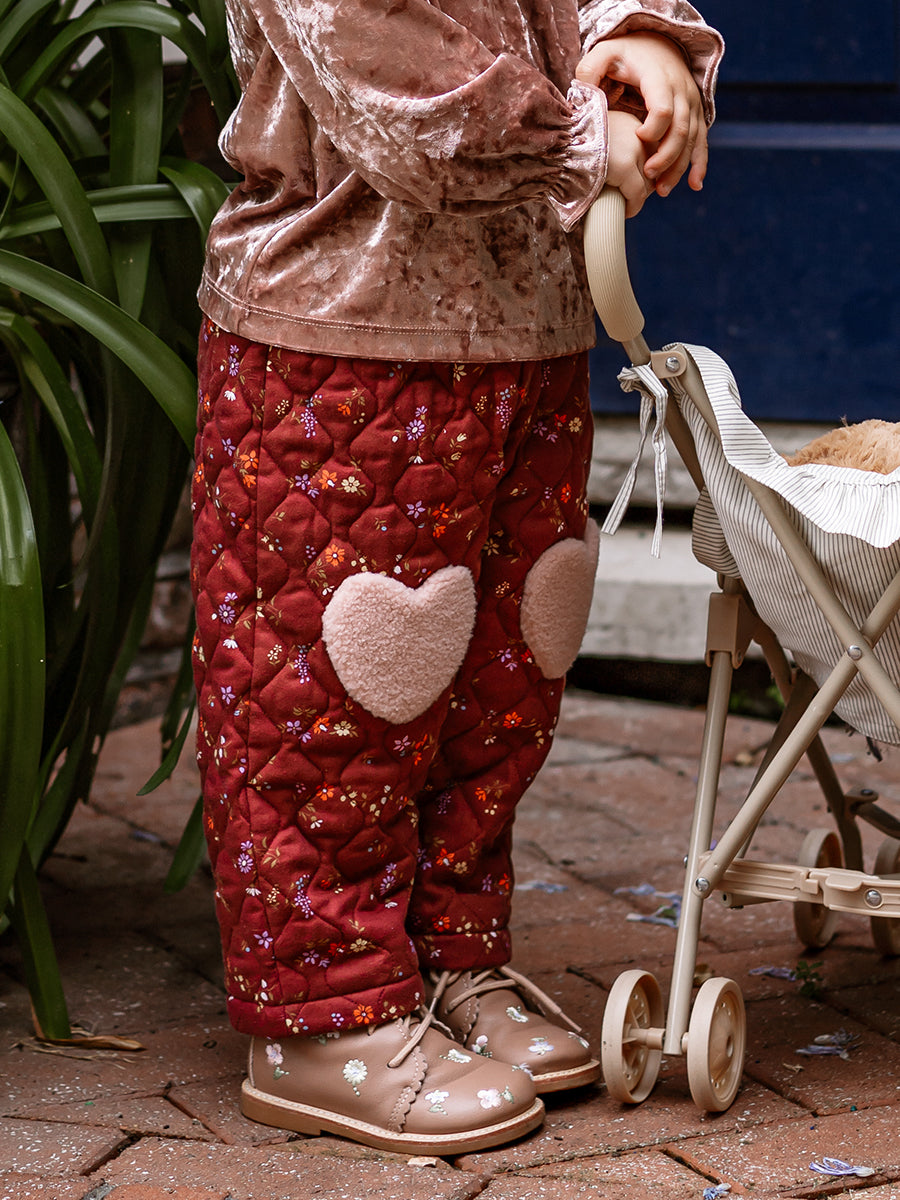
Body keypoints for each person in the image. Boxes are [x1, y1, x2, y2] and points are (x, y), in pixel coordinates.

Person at [191, 0, 723, 1156]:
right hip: (342, 337)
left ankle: (445, 953)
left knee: (500, 677)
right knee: (331, 695)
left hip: (528, 328)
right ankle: (325, 1010)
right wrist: (578, 139)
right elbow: (385, 61)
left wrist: (638, 34)